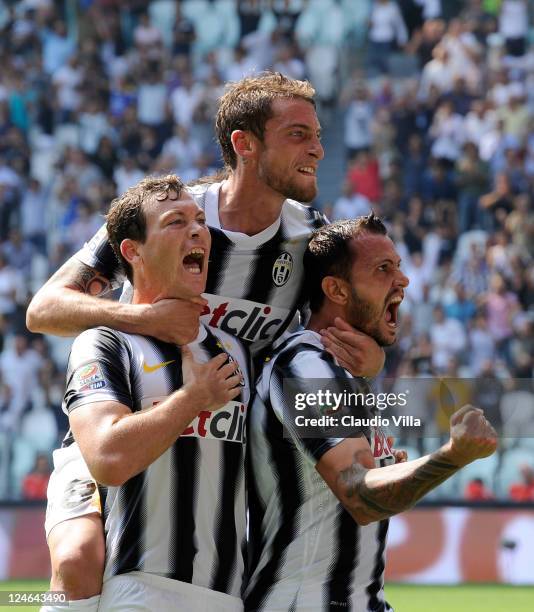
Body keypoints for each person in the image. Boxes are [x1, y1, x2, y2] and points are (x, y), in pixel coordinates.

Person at [27, 73, 385, 604]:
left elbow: (340, 330)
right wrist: (148, 321)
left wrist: (371, 356)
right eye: (297, 134)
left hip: (222, 438)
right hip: (131, 411)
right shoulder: (172, 218)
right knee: (80, 559)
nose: (318, 148)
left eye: (316, 133)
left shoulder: (309, 237)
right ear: (245, 144)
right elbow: (45, 308)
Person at [245, 215, 498, 611]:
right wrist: (453, 455)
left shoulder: (344, 374)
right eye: (383, 269)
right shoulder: (304, 368)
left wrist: (388, 466)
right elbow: (360, 496)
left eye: (398, 266)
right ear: (336, 290)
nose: (403, 280)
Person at [43, 175, 249, 612]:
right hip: (140, 592)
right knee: (76, 559)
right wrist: (194, 398)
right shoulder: (106, 342)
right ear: (132, 252)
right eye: (176, 222)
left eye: (199, 220)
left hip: (226, 597)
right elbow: (108, 457)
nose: (198, 230)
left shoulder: (237, 351)